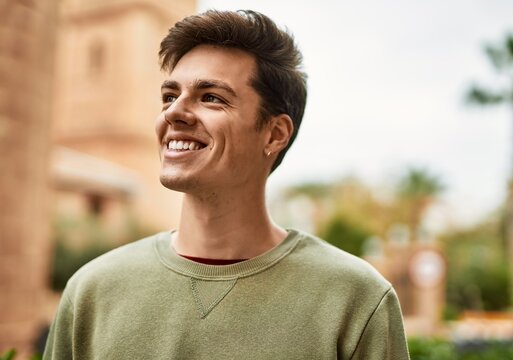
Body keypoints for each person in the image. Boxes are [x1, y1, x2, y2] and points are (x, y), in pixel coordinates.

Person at [44, 10, 410, 359]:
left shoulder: (356, 299)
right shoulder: (92, 291)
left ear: (275, 133)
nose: (173, 112)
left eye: (211, 98)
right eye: (170, 97)